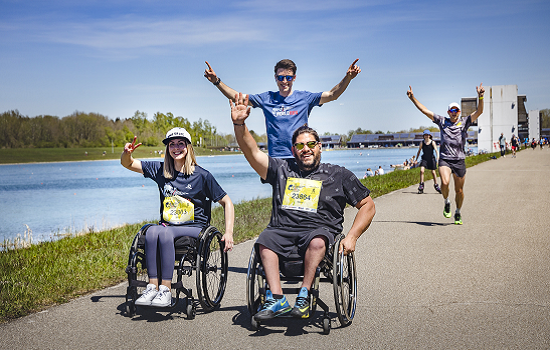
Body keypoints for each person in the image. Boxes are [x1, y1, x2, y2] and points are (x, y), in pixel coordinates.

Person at [230, 93, 375, 321]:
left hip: (320, 232)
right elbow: (252, 152)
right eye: (300, 145)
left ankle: (305, 295)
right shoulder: (281, 169)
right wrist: (239, 124)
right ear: (293, 149)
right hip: (283, 231)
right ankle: (277, 299)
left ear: (319, 147)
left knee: (317, 241)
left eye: (310, 144)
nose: (305, 149)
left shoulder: (338, 174)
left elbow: (367, 205)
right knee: (265, 240)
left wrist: (353, 237)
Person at [121, 127, 235, 307]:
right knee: (151, 231)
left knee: (164, 232)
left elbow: (227, 202)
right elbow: (128, 164)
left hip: (195, 227)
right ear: (167, 148)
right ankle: (152, 287)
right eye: (172, 144)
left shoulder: (202, 175)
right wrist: (126, 154)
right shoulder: (160, 170)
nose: (176, 148)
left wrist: (228, 232)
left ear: (188, 147)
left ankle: (165, 290)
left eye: (181, 144)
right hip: (168, 225)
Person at [204, 59, 361, 159]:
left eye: (288, 77)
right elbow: (236, 96)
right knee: (281, 207)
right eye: (280, 77)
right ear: (275, 78)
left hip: (302, 157)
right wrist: (216, 81)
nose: (284, 81)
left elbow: (333, 94)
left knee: (303, 205)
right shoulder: (266, 98)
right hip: (276, 160)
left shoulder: (305, 98)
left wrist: (348, 78)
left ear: (294, 78)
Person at [407, 83, 485, 225]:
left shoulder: (465, 122)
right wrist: (413, 98)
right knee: (444, 182)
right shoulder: (442, 121)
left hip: (459, 160)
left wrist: (481, 96)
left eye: (456, 110)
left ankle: (458, 212)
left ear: (459, 112)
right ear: (448, 112)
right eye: (451, 110)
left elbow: (479, 112)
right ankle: (446, 201)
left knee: (459, 190)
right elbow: (425, 110)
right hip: (445, 159)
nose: (454, 112)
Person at [415, 130, 441, 194]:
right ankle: (421, 185)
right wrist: (416, 159)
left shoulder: (432, 142)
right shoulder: (422, 143)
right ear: (423, 136)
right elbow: (419, 151)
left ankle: (436, 185)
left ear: (430, 135)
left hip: (431, 159)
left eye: (427, 135)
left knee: (433, 173)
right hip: (424, 158)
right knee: (422, 171)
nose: (426, 136)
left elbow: (436, 150)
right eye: (425, 135)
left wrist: (438, 157)